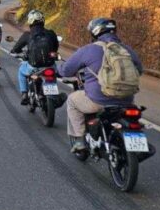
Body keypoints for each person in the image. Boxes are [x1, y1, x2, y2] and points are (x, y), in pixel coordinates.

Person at [59, 18, 143, 154]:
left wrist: (59, 70)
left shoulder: (89, 49)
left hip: (98, 100)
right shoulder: (126, 49)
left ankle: (80, 141)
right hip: (127, 101)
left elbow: (66, 70)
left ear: (94, 32)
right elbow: (139, 70)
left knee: (72, 101)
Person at [10, 9, 60, 105]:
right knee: (53, 74)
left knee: (21, 71)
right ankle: (54, 96)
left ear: (30, 21)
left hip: (33, 67)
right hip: (49, 65)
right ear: (43, 20)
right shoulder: (51, 33)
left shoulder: (27, 35)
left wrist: (14, 51)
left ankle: (24, 94)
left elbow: (16, 48)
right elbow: (55, 47)